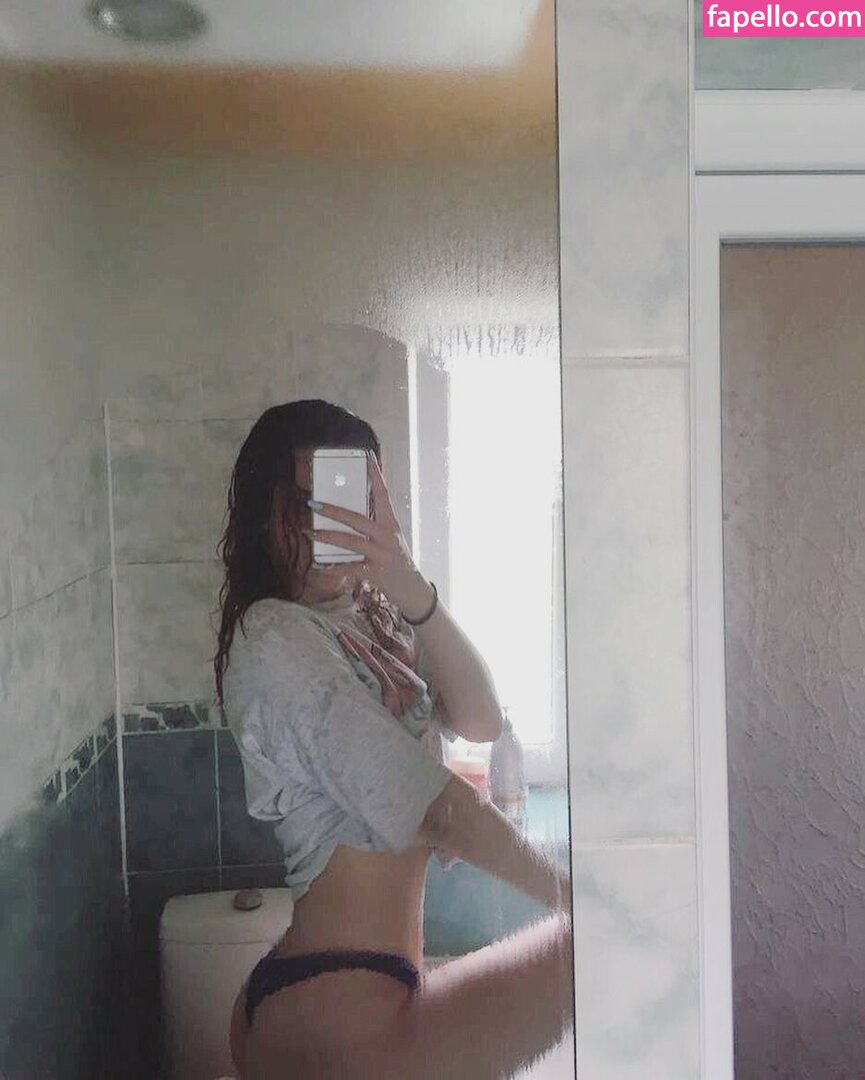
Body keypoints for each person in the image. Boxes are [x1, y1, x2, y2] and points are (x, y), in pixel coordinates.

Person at [216, 400, 573, 1079]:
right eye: (307, 504)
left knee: (595, 950)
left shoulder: (368, 614)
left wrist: (407, 582)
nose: (328, 524)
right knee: (597, 948)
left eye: (347, 502)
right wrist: (577, 893)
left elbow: (480, 720)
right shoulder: (274, 638)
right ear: (267, 513)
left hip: (364, 985)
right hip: (331, 1006)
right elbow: (432, 808)